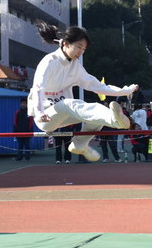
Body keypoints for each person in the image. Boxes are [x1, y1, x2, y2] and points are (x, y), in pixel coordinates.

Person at [29, 23, 137, 162]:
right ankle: (114, 120)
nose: (81, 52)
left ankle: (79, 144)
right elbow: (38, 87)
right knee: (68, 104)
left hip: (65, 115)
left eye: (84, 49)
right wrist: (39, 112)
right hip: (45, 116)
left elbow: (97, 86)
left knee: (96, 112)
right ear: (66, 44)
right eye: (79, 47)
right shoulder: (49, 61)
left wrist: (124, 91)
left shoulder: (76, 67)